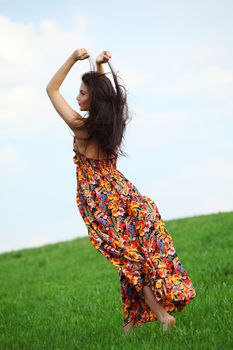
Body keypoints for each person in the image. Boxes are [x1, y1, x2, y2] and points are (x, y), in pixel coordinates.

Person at [46, 48, 196, 335]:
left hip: (102, 205)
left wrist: (71, 58)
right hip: (126, 197)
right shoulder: (113, 124)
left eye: (81, 93)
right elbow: (108, 99)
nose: (77, 98)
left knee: (129, 261)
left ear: (93, 99)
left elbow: (51, 89)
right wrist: (100, 66)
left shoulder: (82, 128)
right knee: (128, 258)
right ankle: (130, 323)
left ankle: (163, 316)